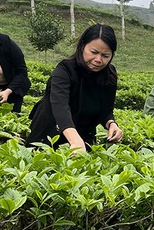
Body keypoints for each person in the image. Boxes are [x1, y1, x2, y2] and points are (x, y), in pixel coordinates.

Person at [26, 23, 124, 152]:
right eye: (94, 52)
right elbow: (60, 107)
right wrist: (75, 140)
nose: (98, 59)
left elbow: (105, 111)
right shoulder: (64, 70)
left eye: (105, 55)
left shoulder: (109, 75)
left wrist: (111, 124)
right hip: (49, 135)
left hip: (83, 137)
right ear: (82, 46)